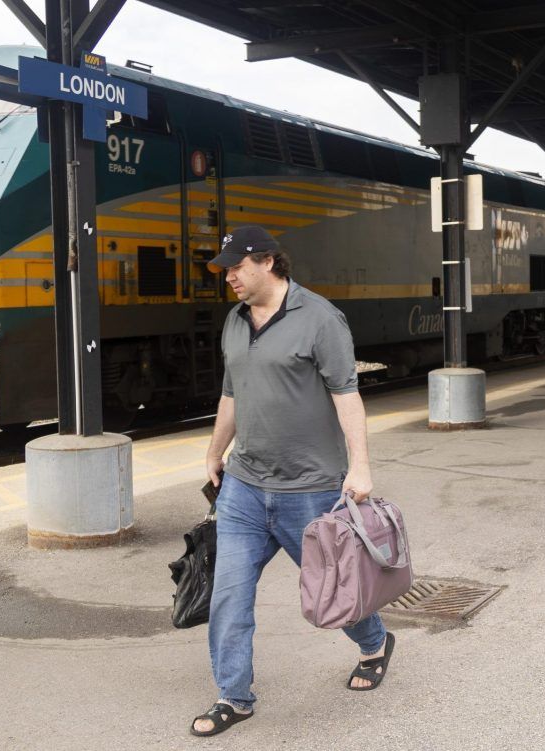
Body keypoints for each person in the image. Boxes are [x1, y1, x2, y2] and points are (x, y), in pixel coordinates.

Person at [190, 226, 395, 737]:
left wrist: (360, 466)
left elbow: (347, 394)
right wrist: (215, 452)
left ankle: (374, 642)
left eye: (236, 267)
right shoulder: (234, 323)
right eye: (226, 270)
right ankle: (234, 697)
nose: (229, 277)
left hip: (310, 490)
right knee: (229, 596)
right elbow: (231, 394)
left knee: (336, 594)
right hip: (244, 487)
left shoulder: (320, 319)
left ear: (266, 262)